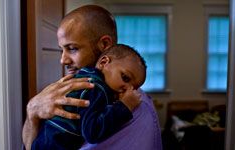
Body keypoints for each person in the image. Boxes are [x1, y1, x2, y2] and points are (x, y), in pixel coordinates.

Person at [22, 4, 162, 150]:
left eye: (72, 48)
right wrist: (33, 110)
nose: (63, 60)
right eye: (62, 50)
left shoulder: (133, 111)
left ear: (105, 44)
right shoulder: (78, 86)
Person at [31, 44, 147, 150]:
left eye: (133, 88)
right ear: (103, 63)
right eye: (125, 78)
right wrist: (124, 106)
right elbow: (92, 132)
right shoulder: (95, 88)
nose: (127, 90)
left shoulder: (86, 75)